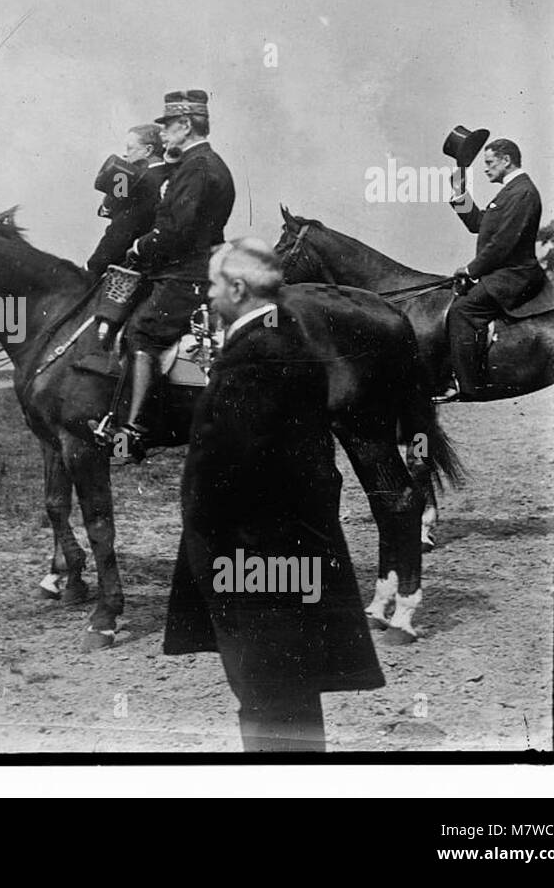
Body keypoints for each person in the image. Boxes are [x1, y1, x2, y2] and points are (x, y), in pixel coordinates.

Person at [162, 239, 385, 752]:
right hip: (276, 561)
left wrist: (212, 543)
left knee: (268, 701)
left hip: (253, 565)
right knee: (283, 699)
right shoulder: (277, 340)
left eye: (215, 286)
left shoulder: (257, 355)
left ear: (237, 289)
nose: (210, 296)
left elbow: (233, 471)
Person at [115, 90, 235, 454]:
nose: (163, 132)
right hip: (193, 270)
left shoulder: (196, 168)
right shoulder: (206, 164)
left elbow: (176, 231)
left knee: (142, 334)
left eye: (168, 126)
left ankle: (134, 430)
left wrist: (139, 247)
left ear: (185, 125)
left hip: (186, 276)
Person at [440, 138, 546, 401]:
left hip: (515, 275)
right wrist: (459, 189)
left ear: (506, 160)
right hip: (503, 272)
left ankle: (469, 387)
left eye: (489, 163)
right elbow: (478, 223)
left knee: (463, 310)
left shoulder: (522, 192)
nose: (485, 169)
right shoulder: (511, 192)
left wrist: (470, 269)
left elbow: (503, 243)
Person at [85, 124, 164, 277]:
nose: (125, 154)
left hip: (130, 267)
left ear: (148, 150)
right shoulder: (166, 174)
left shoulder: (141, 181)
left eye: (130, 148)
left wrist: (91, 268)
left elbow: (120, 231)